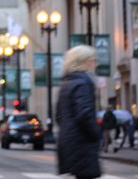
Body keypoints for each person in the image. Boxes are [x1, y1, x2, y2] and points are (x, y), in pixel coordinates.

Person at [56, 45, 101, 179]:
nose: (95, 63)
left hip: (69, 142)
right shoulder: (83, 83)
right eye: (93, 59)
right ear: (84, 61)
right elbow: (84, 114)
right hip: (82, 143)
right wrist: (96, 134)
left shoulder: (67, 83)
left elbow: (58, 116)